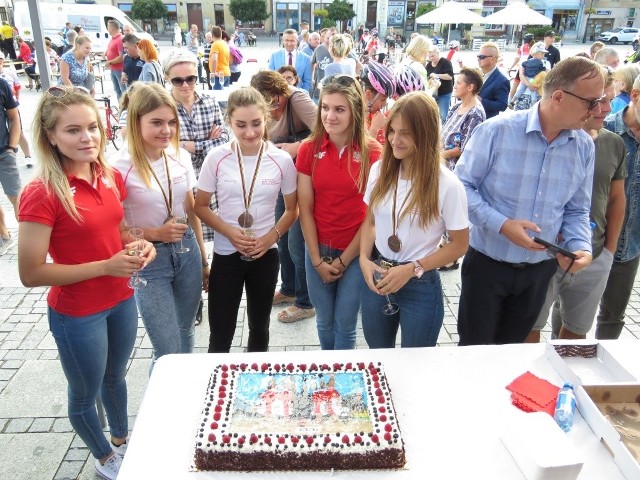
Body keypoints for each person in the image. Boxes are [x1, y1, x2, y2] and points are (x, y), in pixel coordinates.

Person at [17, 85, 156, 480]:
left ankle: (122, 440)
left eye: (93, 127)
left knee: (115, 378)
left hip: (121, 298)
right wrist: (104, 266)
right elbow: (30, 273)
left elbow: (117, 232)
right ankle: (103, 457)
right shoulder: (41, 192)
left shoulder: (107, 174)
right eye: (73, 130)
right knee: (84, 392)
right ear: (51, 136)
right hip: (77, 313)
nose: (88, 138)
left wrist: (140, 244)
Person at [454, 56, 604, 345]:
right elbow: (461, 189)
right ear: (559, 96)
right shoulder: (496, 131)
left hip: (539, 272)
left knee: (514, 355)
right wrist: (502, 225)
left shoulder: (583, 145)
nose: (597, 110)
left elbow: (577, 210)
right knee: (473, 352)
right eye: (590, 102)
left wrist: (580, 246)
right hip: (487, 266)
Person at [360, 92, 469, 348]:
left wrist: (413, 268)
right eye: (392, 131)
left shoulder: (448, 184)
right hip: (379, 275)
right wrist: (364, 260)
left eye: (405, 133)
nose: (394, 140)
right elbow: (370, 222)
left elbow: (459, 245)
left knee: (416, 362)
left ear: (425, 134)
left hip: (420, 282)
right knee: (378, 356)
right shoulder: (380, 170)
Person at [194, 87, 298, 353]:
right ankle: (217, 388)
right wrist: (229, 232)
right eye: (241, 125)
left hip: (265, 255)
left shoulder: (281, 160)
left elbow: (291, 211)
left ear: (266, 120)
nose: (250, 132)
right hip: (227, 254)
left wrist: (269, 238)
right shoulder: (216, 158)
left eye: (256, 124)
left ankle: (255, 385)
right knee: (220, 333)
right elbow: (201, 206)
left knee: (260, 329)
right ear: (229, 121)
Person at [111, 82, 206, 367]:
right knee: (167, 350)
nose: (166, 130)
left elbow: (191, 210)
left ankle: (183, 398)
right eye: (156, 122)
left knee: (186, 332)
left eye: (171, 122)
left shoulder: (180, 156)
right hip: (148, 260)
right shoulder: (117, 167)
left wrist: (203, 259)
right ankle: (164, 407)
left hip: (186, 251)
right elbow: (114, 230)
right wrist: (156, 233)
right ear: (136, 122)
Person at [527, 68, 626, 342]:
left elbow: (617, 199)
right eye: (599, 101)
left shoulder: (613, 144)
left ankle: (567, 384)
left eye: (609, 100)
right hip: (546, 254)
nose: (606, 109)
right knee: (530, 328)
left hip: (592, 253)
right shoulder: (550, 137)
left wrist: (608, 250)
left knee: (576, 333)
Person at [297, 74, 382, 350]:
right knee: (324, 321)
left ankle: (341, 382)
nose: (329, 116)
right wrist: (317, 260)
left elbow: (372, 217)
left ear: (355, 111)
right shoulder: (309, 149)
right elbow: (305, 208)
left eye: (339, 109)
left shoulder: (372, 153)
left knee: (345, 326)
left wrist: (345, 261)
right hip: (317, 247)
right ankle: (326, 379)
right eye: (325, 107)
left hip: (356, 252)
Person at [249, 70, 316, 323]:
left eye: (277, 101)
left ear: (282, 92)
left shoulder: (296, 99)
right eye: (268, 104)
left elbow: (326, 129)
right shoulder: (262, 104)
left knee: (298, 243)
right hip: (283, 175)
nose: (274, 108)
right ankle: (289, 289)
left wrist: (297, 146)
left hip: (304, 175)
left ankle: (306, 302)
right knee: (282, 232)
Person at [165, 49, 229, 252]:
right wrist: (206, 142)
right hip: (178, 182)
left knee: (213, 237)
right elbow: (167, 147)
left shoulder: (210, 102)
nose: (185, 85)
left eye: (190, 78)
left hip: (210, 181)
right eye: (178, 80)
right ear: (167, 78)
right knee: (185, 239)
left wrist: (188, 145)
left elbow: (224, 140)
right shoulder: (163, 106)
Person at [597, 75, 640, 339]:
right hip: (591, 241)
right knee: (569, 313)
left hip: (631, 245)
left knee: (613, 317)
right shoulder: (603, 131)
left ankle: (603, 377)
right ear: (635, 97)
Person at [441, 67, 486, 171]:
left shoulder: (475, 114)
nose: (454, 86)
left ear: (470, 87)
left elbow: (463, 149)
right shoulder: (456, 107)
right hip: (443, 164)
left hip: (456, 170)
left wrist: (438, 156)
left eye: (458, 83)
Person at [0, 52, 33, 168]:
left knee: (19, 132)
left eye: (1, 60)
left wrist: (16, 100)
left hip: (10, 105)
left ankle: (28, 156)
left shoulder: (9, 73)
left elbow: (17, 87)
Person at [0, 76, 20, 254]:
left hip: (3, 153)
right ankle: (4, 236)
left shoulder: (2, 84)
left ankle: (30, 238)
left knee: (16, 198)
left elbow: (14, 117)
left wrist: (11, 148)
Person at [361, 61, 396, 145]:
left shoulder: (369, 112)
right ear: (368, 94)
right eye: (383, 99)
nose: (384, 105)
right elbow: (360, 154)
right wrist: (374, 129)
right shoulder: (353, 115)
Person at [269, 28, 312, 93]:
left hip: (298, 96)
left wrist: (301, 95)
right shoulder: (274, 56)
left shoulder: (305, 58)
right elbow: (270, 78)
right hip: (279, 95)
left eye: (292, 41)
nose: (289, 43)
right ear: (283, 41)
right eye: (286, 40)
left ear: (297, 41)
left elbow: (307, 81)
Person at [477, 41, 509, 119]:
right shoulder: (476, 74)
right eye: (478, 56)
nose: (478, 59)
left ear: (493, 59)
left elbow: (502, 105)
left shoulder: (502, 81)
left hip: (486, 122)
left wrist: (481, 100)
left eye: (482, 57)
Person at [510, 42, 548, 107]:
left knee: (520, 90)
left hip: (526, 78)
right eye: (542, 54)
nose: (543, 56)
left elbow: (522, 69)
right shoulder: (541, 62)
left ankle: (512, 101)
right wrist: (530, 84)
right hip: (532, 79)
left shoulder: (528, 61)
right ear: (536, 53)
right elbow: (543, 70)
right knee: (533, 90)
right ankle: (534, 104)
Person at [426, 46, 454, 123]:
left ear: (438, 53)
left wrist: (437, 75)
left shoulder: (446, 62)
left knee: (443, 115)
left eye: (433, 56)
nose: (431, 58)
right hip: (433, 92)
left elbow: (449, 76)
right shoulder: (428, 65)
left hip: (444, 92)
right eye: (429, 56)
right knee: (432, 115)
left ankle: (444, 131)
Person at [311, 27, 336, 102]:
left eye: (332, 38)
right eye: (327, 38)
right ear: (324, 38)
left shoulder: (343, 50)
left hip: (335, 94)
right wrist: (311, 78)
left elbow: (357, 66)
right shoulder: (319, 49)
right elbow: (312, 63)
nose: (329, 40)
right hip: (319, 93)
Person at [508, 33, 534, 103]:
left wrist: (510, 68)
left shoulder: (521, 47)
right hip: (532, 70)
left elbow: (517, 59)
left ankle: (510, 101)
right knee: (530, 86)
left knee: (515, 85)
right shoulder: (534, 47)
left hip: (521, 69)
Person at [104, 20, 125, 100]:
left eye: (108, 27)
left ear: (112, 28)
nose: (107, 29)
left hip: (119, 69)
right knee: (117, 90)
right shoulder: (113, 39)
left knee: (123, 91)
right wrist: (105, 54)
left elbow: (121, 56)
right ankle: (121, 107)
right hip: (113, 69)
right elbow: (110, 49)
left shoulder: (120, 39)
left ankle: (124, 109)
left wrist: (110, 62)